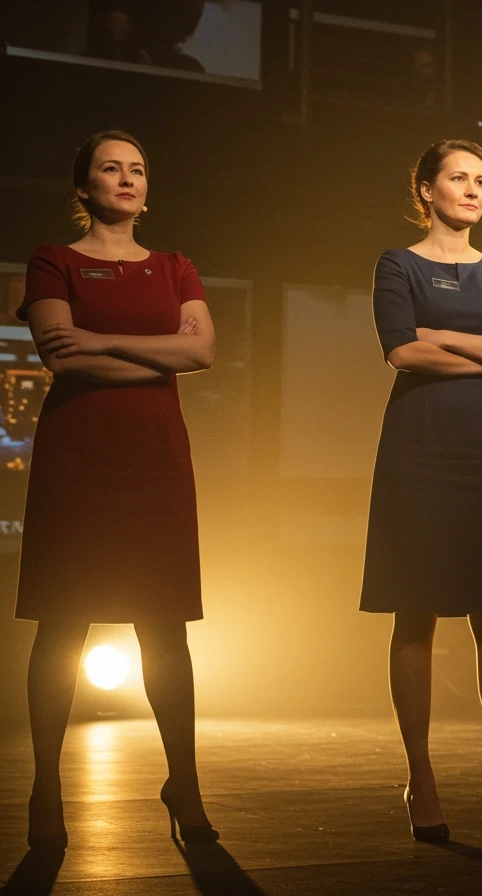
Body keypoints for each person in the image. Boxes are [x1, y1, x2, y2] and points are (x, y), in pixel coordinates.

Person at [17, 129, 217, 849]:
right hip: (80, 457)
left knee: (165, 626)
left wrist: (99, 341)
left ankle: (184, 784)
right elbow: (59, 357)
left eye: (137, 167)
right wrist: (152, 358)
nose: (126, 177)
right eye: (110, 167)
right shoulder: (54, 260)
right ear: (84, 188)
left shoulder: (174, 266)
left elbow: (201, 351)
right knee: (62, 623)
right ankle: (47, 786)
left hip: (157, 461)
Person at [360, 139, 482, 843]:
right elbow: (402, 350)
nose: (472, 189)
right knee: (417, 612)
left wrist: (445, 336)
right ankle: (422, 779)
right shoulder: (397, 263)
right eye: (459, 178)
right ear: (427, 189)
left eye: (481, 180)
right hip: (420, 446)